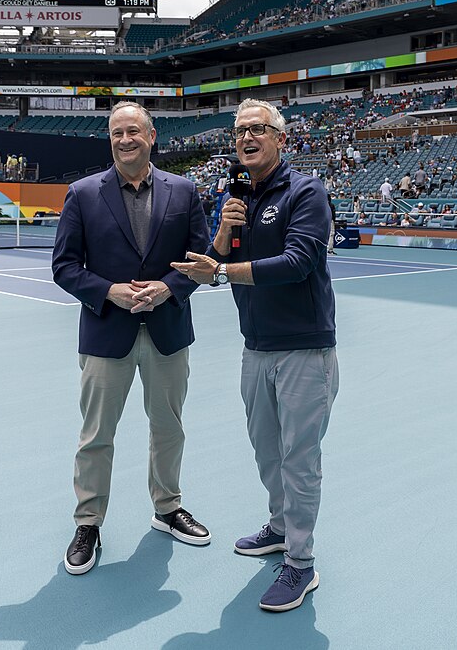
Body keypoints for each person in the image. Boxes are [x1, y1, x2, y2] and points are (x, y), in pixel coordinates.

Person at [171, 98, 339, 614]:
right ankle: (280, 526)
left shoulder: (306, 191)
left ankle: (302, 563)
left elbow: (298, 261)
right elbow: (215, 260)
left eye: (258, 129)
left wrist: (224, 273)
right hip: (257, 346)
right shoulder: (236, 196)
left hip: (304, 348)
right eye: (240, 130)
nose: (246, 137)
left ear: (280, 139)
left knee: (299, 460)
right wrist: (222, 234)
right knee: (267, 450)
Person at [51, 102, 212, 576]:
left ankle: (167, 507)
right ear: (110, 139)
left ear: (152, 135)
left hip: (167, 332)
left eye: (134, 132)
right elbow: (64, 267)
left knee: (169, 428)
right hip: (106, 333)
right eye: (117, 132)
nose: (125, 140)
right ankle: (89, 523)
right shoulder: (82, 194)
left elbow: (201, 259)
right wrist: (110, 292)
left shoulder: (184, 191)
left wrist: (168, 288)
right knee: (96, 437)